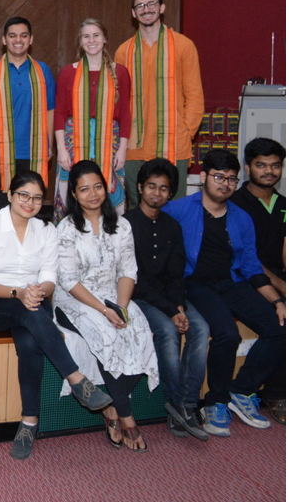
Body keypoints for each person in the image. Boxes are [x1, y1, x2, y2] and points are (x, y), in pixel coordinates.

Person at [0, 171, 112, 460]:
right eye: (23, 195)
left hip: (33, 301)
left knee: (29, 344)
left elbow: (50, 279)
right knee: (30, 312)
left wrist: (37, 291)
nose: (30, 202)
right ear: (10, 195)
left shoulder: (46, 230)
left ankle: (29, 423)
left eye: (37, 198)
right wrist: (19, 292)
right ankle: (76, 379)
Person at [164, 149, 286, 436]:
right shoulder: (178, 210)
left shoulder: (241, 217)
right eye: (219, 177)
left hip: (231, 282)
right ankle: (215, 402)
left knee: (279, 326)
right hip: (195, 284)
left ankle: (241, 391)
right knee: (227, 334)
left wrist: (278, 301)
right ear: (203, 177)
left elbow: (251, 266)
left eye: (232, 179)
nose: (225, 184)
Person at [54, 160, 160, 452]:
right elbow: (69, 280)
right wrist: (104, 311)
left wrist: (121, 308)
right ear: (73, 194)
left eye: (97, 187)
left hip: (114, 296)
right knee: (107, 334)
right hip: (74, 299)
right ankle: (127, 417)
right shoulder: (67, 228)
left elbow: (128, 271)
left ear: (107, 188)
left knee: (141, 333)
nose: (92, 194)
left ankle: (111, 408)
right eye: (84, 189)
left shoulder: (122, 225)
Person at [126, 158, 209, 440]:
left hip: (171, 297)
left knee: (201, 328)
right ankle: (176, 403)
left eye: (163, 188)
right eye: (152, 186)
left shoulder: (173, 226)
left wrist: (178, 306)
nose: (157, 193)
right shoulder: (126, 225)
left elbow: (176, 273)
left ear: (170, 193)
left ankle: (188, 403)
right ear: (140, 187)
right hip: (139, 297)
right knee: (167, 331)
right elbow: (135, 279)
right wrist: (171, 311)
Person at [116, 0, 204, 206]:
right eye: (140, 6)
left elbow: (194, 95)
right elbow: (118, 101)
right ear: (133, 13)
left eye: (151, 4)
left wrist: (186, 132)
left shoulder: (183, 45)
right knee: (137, 208)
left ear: (162, 8)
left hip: (173, 143)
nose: (146, 9)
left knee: (173, 208)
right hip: (135, 147)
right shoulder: (123, 52)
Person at [53, 19, 131, 221]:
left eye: (96, 35)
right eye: (86, 36)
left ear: (104, 39)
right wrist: (61, 148)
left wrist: (122, 149)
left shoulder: (120, 72)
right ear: (80, 41)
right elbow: (59, 113)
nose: (91, 40)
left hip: (110, 142)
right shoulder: (68, 72)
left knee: (109, 188)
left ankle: (111, 233)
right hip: (73, 140)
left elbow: (125, 113)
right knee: (73, 187)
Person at [231, 137, 286, 424]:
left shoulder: (283, 203)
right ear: (248, 167)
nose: (269, 171)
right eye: (261, 165)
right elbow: (246, 258)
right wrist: (281, 286)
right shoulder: (235, 203)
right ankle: (251, 390)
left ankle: (275, 391)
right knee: (281, 323)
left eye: (275, 165)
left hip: (276, 278)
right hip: (243, 279)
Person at [0, 18, 55, 214]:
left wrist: (49, 144)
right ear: (4, 40)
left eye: (23, 35)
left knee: (29, 209)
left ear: (30, 39)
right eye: (13, 35)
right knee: (0, 211)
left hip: (32, 151)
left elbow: (50, 109)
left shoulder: (42, 70)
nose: (18, 40)